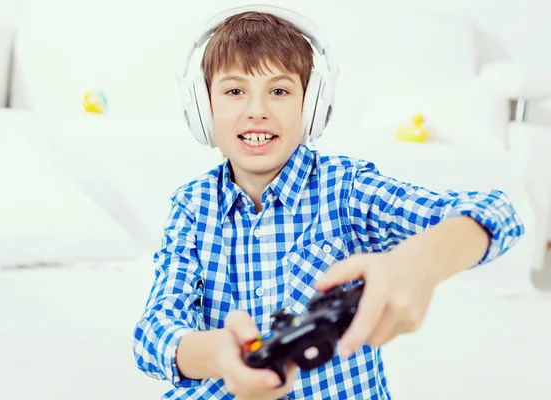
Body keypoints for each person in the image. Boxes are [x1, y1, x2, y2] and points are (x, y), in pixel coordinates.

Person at [132, 5, 525, 400]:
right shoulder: (192, 206)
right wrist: (217, 356)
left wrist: (419, 261)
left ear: (313, 104)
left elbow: (498, 212)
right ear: (202, 107)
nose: (256, 111)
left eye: (280, 91)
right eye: (235, 91)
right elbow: (154, 334)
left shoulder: (346, 187)